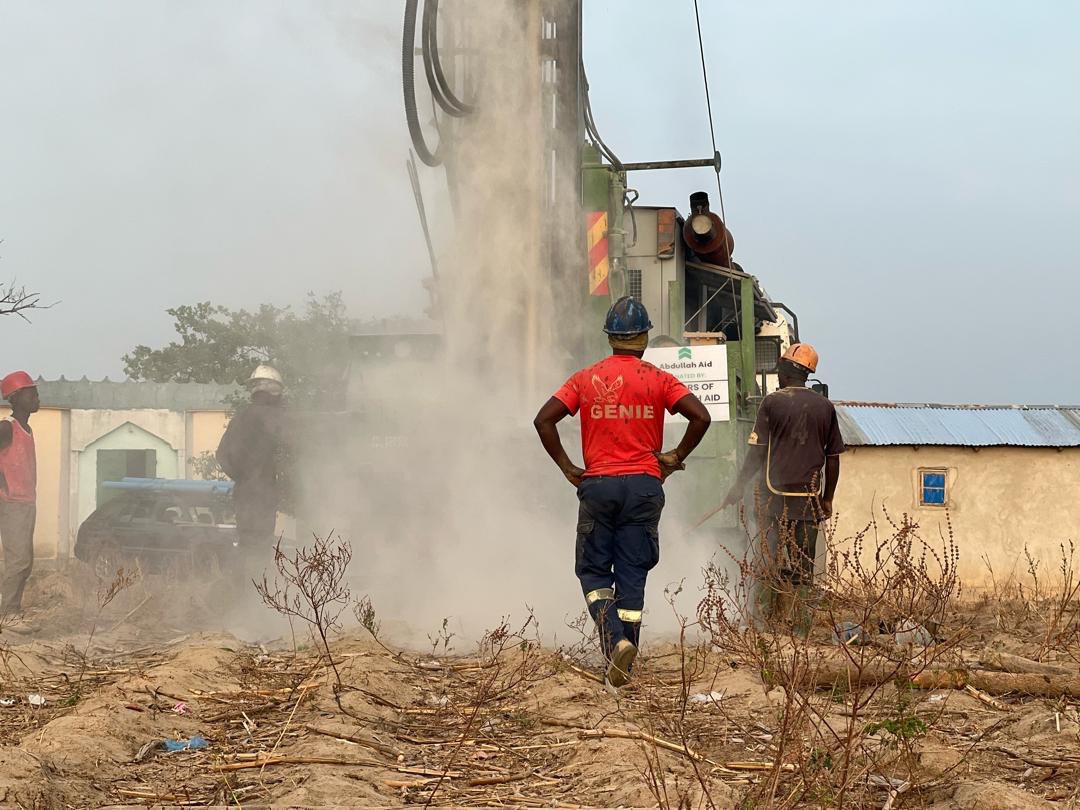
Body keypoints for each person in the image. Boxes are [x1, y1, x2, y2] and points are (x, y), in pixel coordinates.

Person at [534, 297, 711, 689]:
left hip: (598, 485)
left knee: (594, 571)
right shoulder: (659, 379)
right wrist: (674, 456)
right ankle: (625, 656)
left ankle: (615, 643)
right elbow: (701, 416)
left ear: (611, 337)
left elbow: (543, 420)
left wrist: (568, 468)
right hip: (646, 487)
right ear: (645, 336)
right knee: (633, 572)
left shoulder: (584, 378)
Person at [721, 343, 844, 623]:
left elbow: (757, 452)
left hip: (771, 500)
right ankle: (800, 629)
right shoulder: (825, 407)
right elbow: (833, 457)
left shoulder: (772, 402)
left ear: (789, 370)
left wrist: (739, 486)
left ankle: (762, 626)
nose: (777, 373)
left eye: (780, 367)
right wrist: (827, 499)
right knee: (803, 568)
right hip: (808, 501)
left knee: (766, 563)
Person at [216, 365, 288, 558]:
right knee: (260, 548)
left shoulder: (240, 418)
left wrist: (244, 477)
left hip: (243, 493)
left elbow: (222, 456)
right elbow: (296, 437)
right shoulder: (271, 416)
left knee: (246, 544)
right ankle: (256, 587)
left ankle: (242, 586)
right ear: (274, 390)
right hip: (262, 494)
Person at [0, 371, 40, 618]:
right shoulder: (7, 427)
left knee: (24, 563)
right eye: (32, 393)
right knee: (18, 561)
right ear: (16, 397)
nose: (37, 397)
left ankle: (12, 610)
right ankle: (8, 614)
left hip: (26, 504)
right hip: (12, 503)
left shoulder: (27, 429)